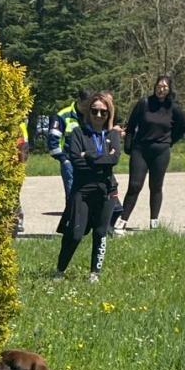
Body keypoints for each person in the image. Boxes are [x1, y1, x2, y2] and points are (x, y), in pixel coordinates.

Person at [54, 91, 121, 283]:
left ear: (109, 114)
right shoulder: (78, 133)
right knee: (75, 234)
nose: (99, 116)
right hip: (82, 190)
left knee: (101, 233)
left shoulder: (113, 134)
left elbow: (114, 160)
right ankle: (60, 269)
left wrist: (90, 156)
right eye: (94, 111)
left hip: (106, 190)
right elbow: (76, 161)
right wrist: (101, 161)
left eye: (103, 112)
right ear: (88, 112)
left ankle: (95, 273)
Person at [114, 75, 185, 234]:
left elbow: (183, 127)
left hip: (161, 151)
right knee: (134, 185)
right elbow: (132, 124)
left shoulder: (173, 108)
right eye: (159, 86)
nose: (161, 89)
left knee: (156, 186)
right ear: (155, 87)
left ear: (169, 90)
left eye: (165, 87)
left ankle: (154, 222)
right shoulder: (144, 103)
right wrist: (128, 146)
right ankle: (122, 221)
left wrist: (169, 142)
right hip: (140, 149)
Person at [48, 89, 92, 202]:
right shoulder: (63, 115)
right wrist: (63, 159)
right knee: (73, 195)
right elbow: (53, 141)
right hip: (70, 162)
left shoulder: (93, 114)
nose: (88, 108)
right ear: (79, 100)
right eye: (86, 104)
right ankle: (71, 217)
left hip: (89, 161)